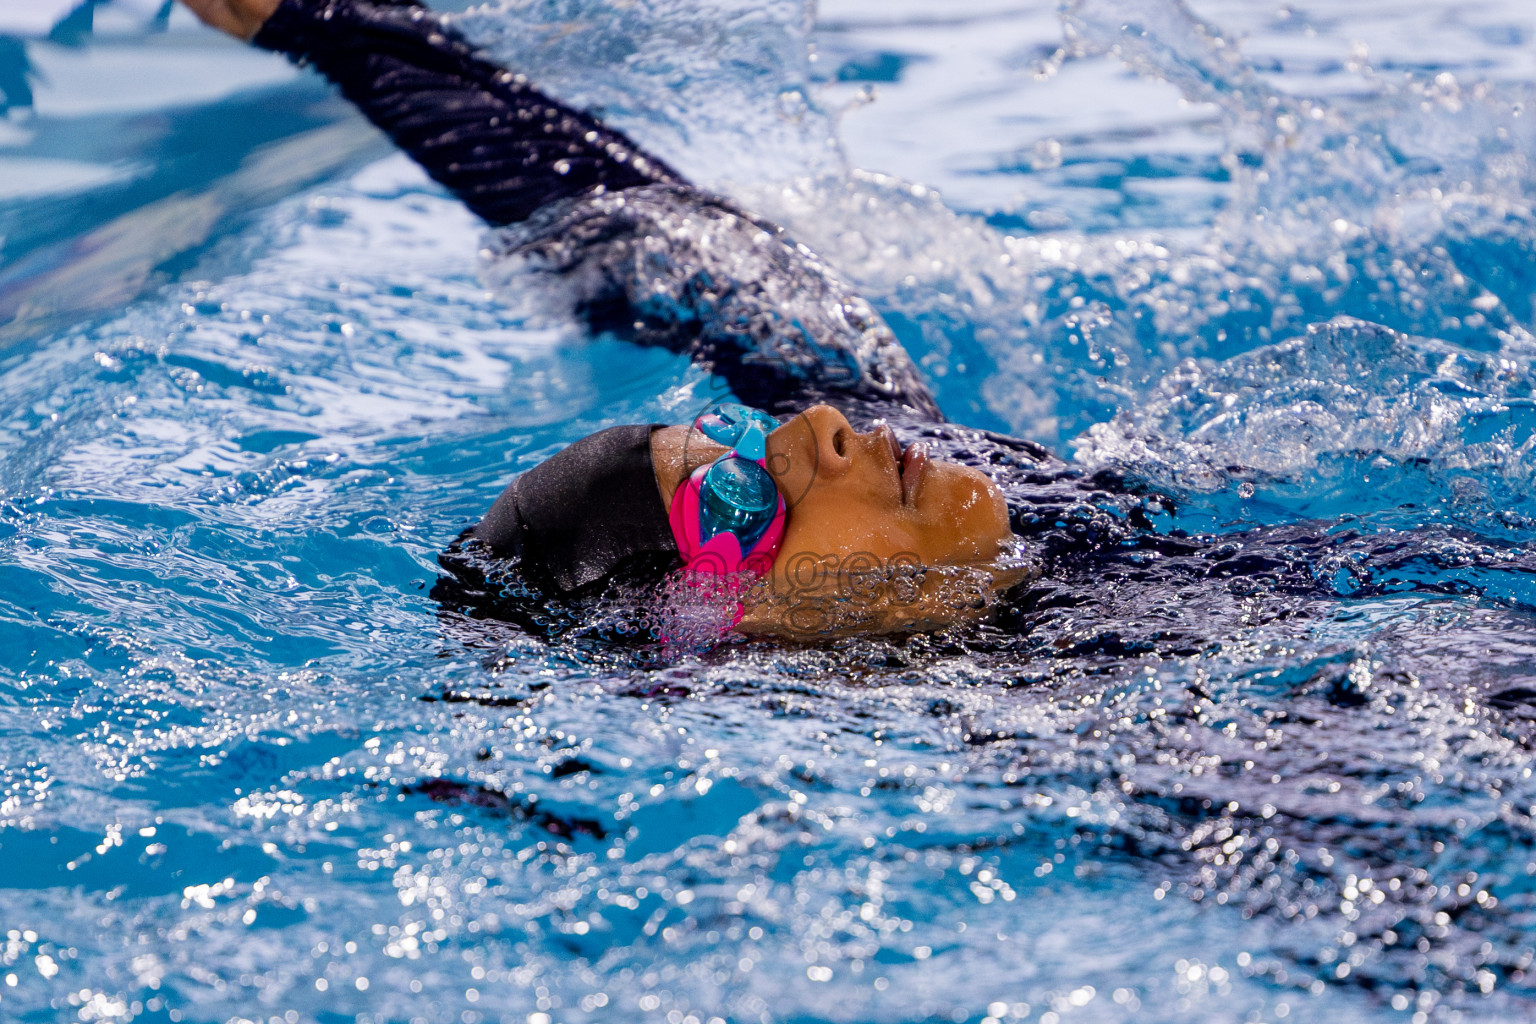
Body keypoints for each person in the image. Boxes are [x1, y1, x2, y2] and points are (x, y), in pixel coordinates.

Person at [181, 0, 1531, 648]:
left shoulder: (1007, 509)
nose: (817, 433)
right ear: (716, 645)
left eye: (737, 451)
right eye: (732, 517)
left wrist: (334, 28)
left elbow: (665, 249)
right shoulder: (1100, 734)